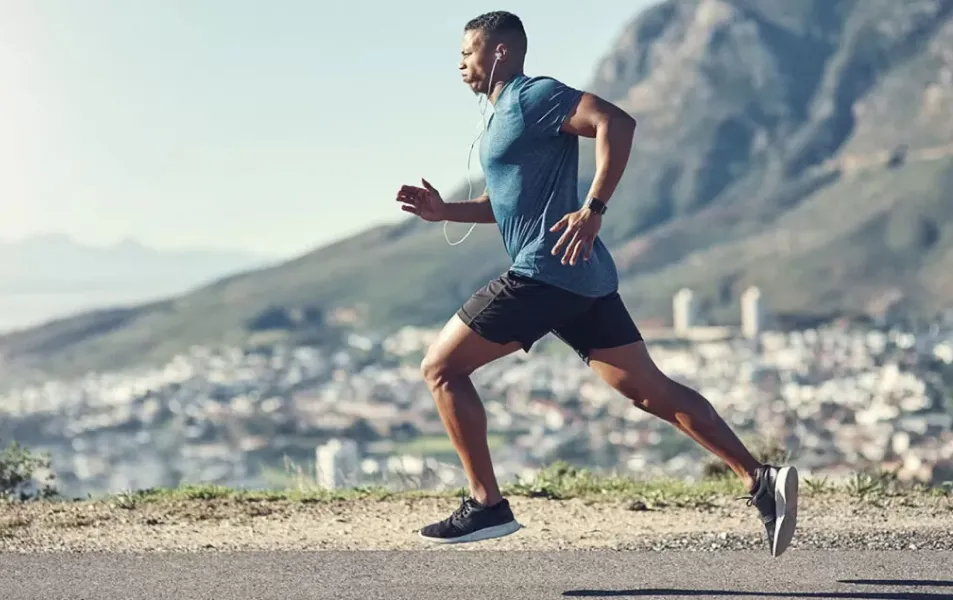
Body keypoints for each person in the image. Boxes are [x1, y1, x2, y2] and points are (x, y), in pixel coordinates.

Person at [395, 10, 799, 557]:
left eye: (467, 52)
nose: (460, 64)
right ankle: (760, 480)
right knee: (648, 390)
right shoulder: (501, 120)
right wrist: (447, 211)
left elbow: (617, 122)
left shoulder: (533, 95)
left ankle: (486, 503)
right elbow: (503, 206)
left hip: (546, 272)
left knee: (440, 369)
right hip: (580, 279)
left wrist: (594, 207)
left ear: (498, 53)